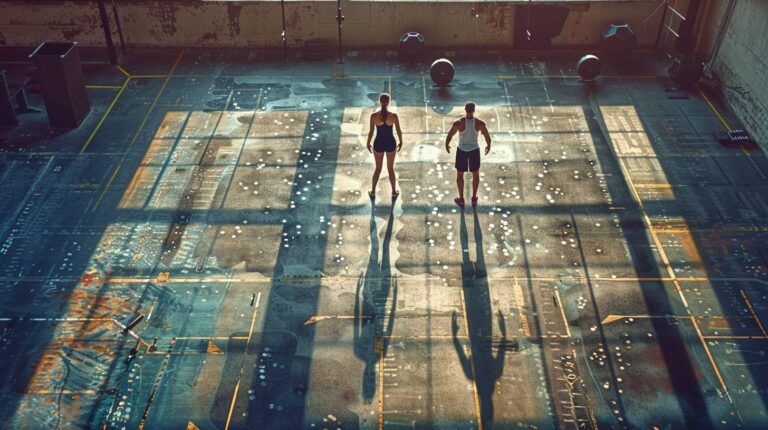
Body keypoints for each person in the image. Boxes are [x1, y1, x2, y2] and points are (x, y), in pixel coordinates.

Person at [445, 102, 492, 207]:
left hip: (462, 151)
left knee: (460, 175)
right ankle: (474, 198)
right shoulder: (480, 123)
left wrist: (446, 144)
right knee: (475, 174)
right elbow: (487, 137)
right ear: (474, 110)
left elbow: (450, 134)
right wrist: (488, 145)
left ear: (465, 109)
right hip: (474, 151)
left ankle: (461, 199)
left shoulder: (458, 123)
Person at [366, 93, 403, 199]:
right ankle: (393, 192)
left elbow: (371, 132)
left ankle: (373, 191)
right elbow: (398, 131)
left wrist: (368, 143)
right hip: (390, 143)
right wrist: (401, 141)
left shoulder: (373, 116)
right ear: (389, 102)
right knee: (391, 169)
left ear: (379, 101)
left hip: (378, 143)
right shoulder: (393, 116)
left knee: (378, 169)